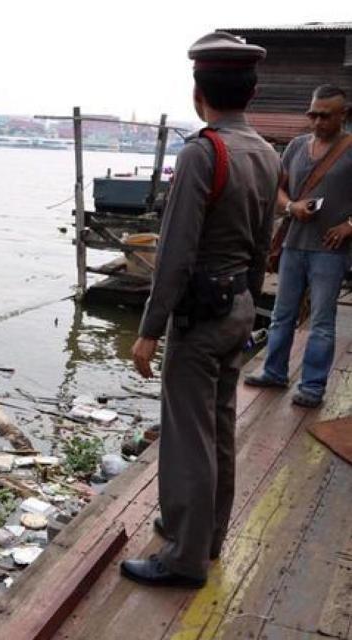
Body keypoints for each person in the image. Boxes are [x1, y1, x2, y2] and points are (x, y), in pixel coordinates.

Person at [121, 31, 280, 588]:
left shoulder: (202, 152)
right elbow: (264, 243)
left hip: (199, 314)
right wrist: (251, 304)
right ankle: (204, 533)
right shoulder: (265, 153)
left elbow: (175, 254)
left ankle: (184, 559)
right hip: (237, 303)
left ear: (197, 91)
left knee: (187, 433)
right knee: (218, 425)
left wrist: (148, 330)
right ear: (252, 92)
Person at [244, 85, 352, 407]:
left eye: (325, 116)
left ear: (343, 116)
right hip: (292, 244)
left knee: (321, 321)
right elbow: (278, 189)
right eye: (312, 114)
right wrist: (291, 207)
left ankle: (313, 386)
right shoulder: (295, 146)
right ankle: (274, 371)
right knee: (281, 314)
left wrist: (349, 226)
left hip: (330, 251)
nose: (317, 122)